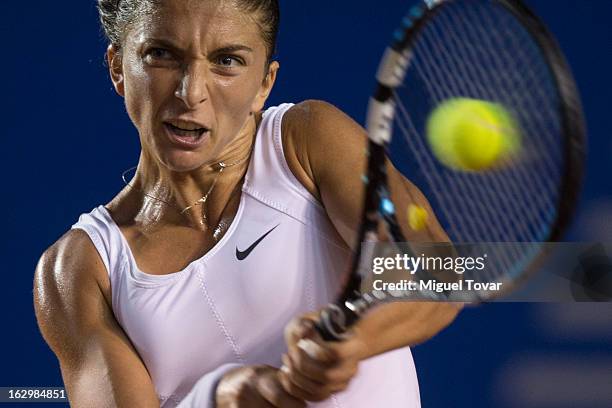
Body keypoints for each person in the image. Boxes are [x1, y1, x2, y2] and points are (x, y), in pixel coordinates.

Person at [34, 0, 460, 406]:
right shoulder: (80, 269)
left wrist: (352, 340)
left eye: (227, 61)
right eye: (161, 53)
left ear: (264, 85)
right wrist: (217, 398)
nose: (191, 92)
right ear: (118, 69)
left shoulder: (307, 141)